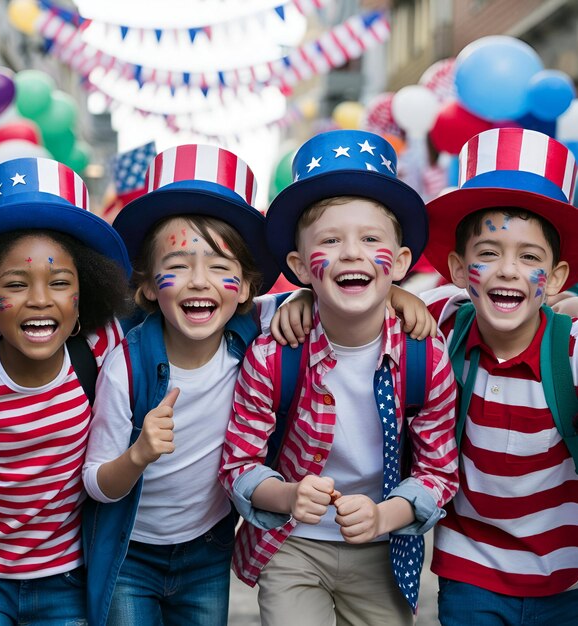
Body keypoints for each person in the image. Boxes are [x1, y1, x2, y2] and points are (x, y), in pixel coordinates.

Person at [219, 129, 459, 626]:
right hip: (292, 547)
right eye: (330, 240)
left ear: (404, 262)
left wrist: (382, 516)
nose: (351, 252)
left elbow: (439, 472)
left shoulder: (426, 354)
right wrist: (285, 495)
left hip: (381, 548)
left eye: (371, 240)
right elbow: (238, 463)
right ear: (300, 265)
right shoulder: (273, 352)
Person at [81, 143, 310, 626]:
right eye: (178, 266)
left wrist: (396, 295)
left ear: (247, 288)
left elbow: (335, 299)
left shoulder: (256, 332)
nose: (199, 282)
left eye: (220, 268)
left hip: (207, 549)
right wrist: (137, 454)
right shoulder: (127, 366)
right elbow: (96, 483)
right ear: (146, 286)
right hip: (131, 553)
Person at [392, 127, 578, 625]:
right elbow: (356, 298)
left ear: (556, 278)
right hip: (470, 570)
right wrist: (394, 296)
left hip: (565, 578)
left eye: (530, 258)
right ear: (458, 268)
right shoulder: (443, 320)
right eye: (489, 253)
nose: (508, 271)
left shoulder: (572, 349)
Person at [0, 157, 132, 624]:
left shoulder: (98, 349)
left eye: (59, 283)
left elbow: (188, 312)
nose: (39, 298)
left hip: (64, 579)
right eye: (16, 283)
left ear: (82, 299)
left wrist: (292, 302)